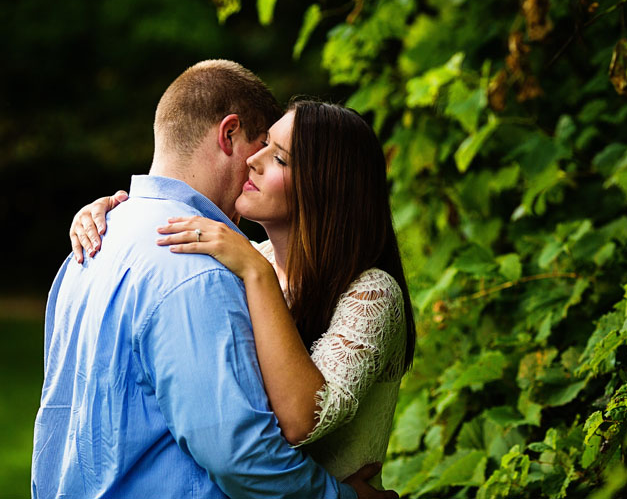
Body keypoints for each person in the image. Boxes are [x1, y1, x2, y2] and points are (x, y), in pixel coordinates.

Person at [35, 60, 396, 499]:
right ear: (229, 135)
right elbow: (240, 455)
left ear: (323, 185)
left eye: (277, 154)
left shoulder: (96, 250)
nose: (254, 163)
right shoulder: (195, 263)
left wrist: (254, 270)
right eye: (260, 145)